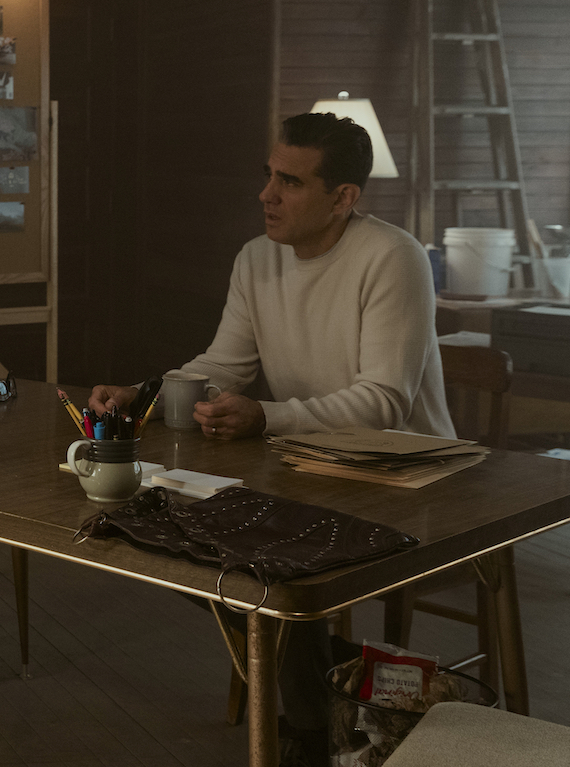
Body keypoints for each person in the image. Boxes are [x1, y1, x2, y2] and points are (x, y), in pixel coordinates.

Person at [90, 111, 453, 767]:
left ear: (344, 199)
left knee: (251, 566)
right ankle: (340, 689)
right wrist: (143, 395)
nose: (266, 194)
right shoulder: (257, 259)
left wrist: (268, 417)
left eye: (290, 181)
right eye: (268, 176)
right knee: (176, 542)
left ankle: (316, 720)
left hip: (407, 474)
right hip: (306, 467)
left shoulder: (392, 256)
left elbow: (385, 403)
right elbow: (222, 366)